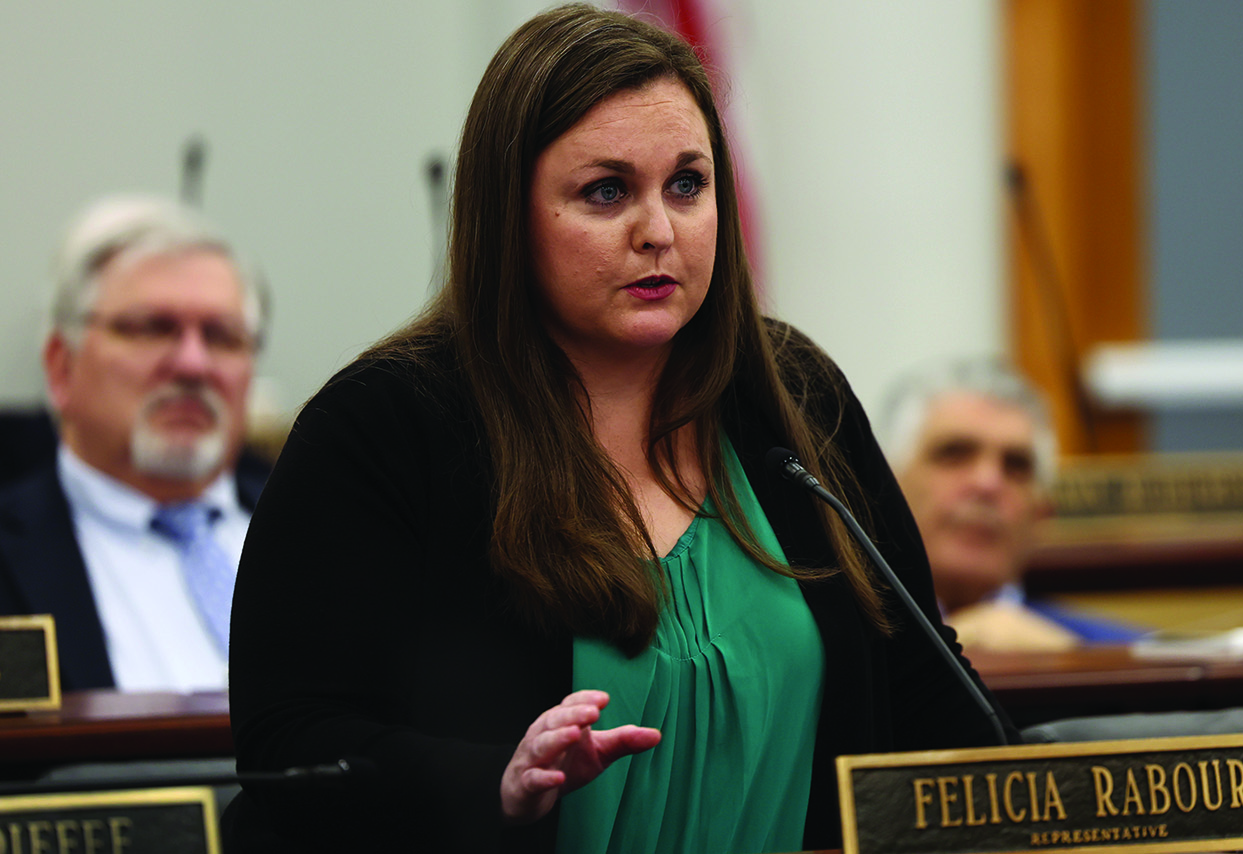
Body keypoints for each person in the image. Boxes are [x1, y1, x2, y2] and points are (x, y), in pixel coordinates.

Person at [223, 5, 1016, 852]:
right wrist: (493, 779)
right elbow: (290, 743)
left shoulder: (793, 396)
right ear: (510, 215)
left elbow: (925, 685)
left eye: (688, 184)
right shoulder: (384, 428)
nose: (659, 231)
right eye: (606, 193)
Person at [0, 196, 267, 693]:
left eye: (223, 336)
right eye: (153, 328)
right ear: (61, 365)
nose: (193, 365)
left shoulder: (335, 530)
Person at [882, 359, 1143, 651]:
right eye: (953, 453)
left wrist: (1069, 668)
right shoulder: (836, 651)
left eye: (1017, 466)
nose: (988, 483)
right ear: (885, 489)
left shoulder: (1131, 659)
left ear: (1042, 514)